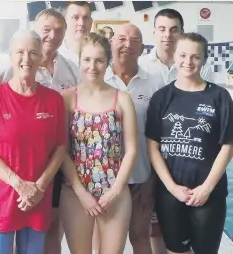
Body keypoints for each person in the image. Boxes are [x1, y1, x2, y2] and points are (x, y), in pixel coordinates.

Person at [0, 30, 67, 254]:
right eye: (20, 52)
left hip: (38, 198)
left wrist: (39, 187)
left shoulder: (54, 100)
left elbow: (61, 148)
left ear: (41, 57)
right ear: (11, 56)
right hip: (0, 199)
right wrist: (19, 185)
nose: (27, 58)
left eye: (33, 52)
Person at [0, 8, 80, 254]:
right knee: (15, 230)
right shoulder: (10, 68)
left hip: (58, 161)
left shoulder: (73, 70)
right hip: (19, 165)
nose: (52, 35)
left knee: (50, 228)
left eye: (58, 30)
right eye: (46, 29)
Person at [146, 32, 233, 254]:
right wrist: (172, 187)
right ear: (174, 56)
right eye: (183, 55)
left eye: (195, 57)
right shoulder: (162, 97)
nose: (188, 62)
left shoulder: (220, 97)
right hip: (170, 192)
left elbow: (228, 145)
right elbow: (153, 146)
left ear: (203, 60)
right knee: (175, 250)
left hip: (209, 194)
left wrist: (206, 188)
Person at [138, 9, 214, 253]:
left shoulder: (204, 70)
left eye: (174, 30)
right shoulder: (143, 67)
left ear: (181, 32)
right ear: (154, 32)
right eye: (162, 29)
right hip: (155, 162)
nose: (167, 35)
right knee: (158, 228)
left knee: (194, 232)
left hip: (191, 165)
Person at [60, 32, 138, 254]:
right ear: (79, 61)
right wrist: (81, 192)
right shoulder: (67, 98)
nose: (92, 66)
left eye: (99, 60)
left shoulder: (122, 99)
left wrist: (113, 192)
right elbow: (62, 151)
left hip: (115, 193)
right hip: (76, 193)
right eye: (87, 60)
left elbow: (131, 150)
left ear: (107, 63)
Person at [103, 23, 165, 254]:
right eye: (121, 38)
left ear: (142, 48)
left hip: (142, 175)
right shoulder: (100, 78)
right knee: (107, 238)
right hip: (105, 175)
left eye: (135, 40)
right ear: (111, 42)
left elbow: (161, 131)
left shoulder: (155, 82)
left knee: (140, 235)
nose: (127, 44)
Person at [59, 1, 93, 66]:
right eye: (75, 17)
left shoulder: (101, 53)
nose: (81, 23)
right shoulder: (54, 55)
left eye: (85, 18)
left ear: (91, 22)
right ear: (64, 22)